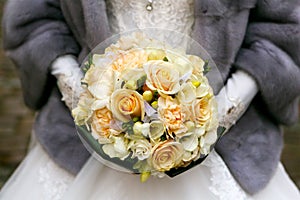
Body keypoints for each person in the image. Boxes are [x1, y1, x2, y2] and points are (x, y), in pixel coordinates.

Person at [1, 0, 300, 199]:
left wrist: (219, 113)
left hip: (231, 147)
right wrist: (84, 98)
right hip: (80, 145)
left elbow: (281, 31)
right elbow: (37, 20)